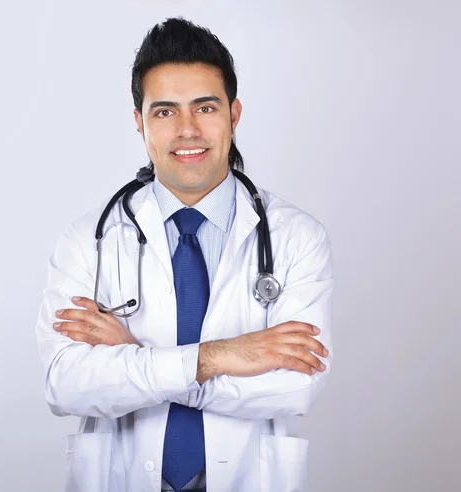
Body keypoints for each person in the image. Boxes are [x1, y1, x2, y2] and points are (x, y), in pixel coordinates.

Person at [35, 17, 334, 492]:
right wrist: (222, 356)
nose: (188, 130)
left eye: (205, 107)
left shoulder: (296, 237)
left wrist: (135, 357)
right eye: (165, 111)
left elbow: (295, 386)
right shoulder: (88, 240)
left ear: (233, 115)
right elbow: (66, 384)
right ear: (140, 122)